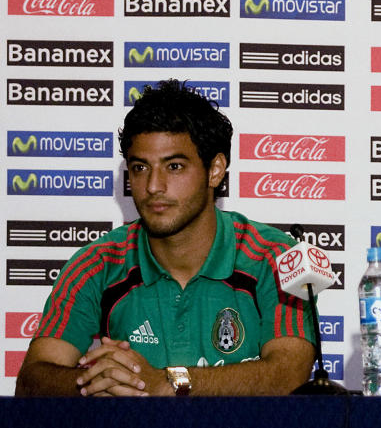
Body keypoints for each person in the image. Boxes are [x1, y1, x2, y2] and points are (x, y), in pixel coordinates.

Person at [15, 79, 316, 396]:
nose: (153, 186)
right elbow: (32, 380)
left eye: (174, 166)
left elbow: (289, 375)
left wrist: (171, 381)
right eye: (140, 167)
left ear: (215, 170)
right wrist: (94, 385)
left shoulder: (275, 256)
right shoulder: (97, 263)